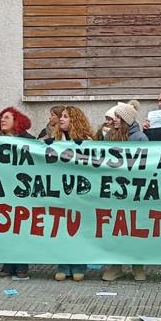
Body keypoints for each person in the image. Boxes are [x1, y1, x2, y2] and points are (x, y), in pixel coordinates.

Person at [103, 100, 150, 281]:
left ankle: (137, 266)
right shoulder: (109, 137)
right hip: (115, 191)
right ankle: (116, 266)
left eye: (118, 117)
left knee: (135, 230)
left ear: (126, 120)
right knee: (115, 229)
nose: (114, 120)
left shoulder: (140, 139)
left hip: (135, 192)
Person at [51, 106, 95, 281]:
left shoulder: (88, 141)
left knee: (79, 230)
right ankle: (63, 266)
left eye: (66, 117)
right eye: (61, 116)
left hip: (81, 192)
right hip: (61, 192)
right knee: (62, 229)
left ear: (74, 120)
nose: (61, 119)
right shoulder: (54, 140)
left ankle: (78, 266)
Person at [0, 106, 36, 279]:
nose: (2, 120)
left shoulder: (30, 141)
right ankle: (8, 264)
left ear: (16, 121)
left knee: (21, 229)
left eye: (7, 117)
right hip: (4, 190)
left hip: (23, 191)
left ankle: (21, 267)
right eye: (1, 118)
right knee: (6, 228)